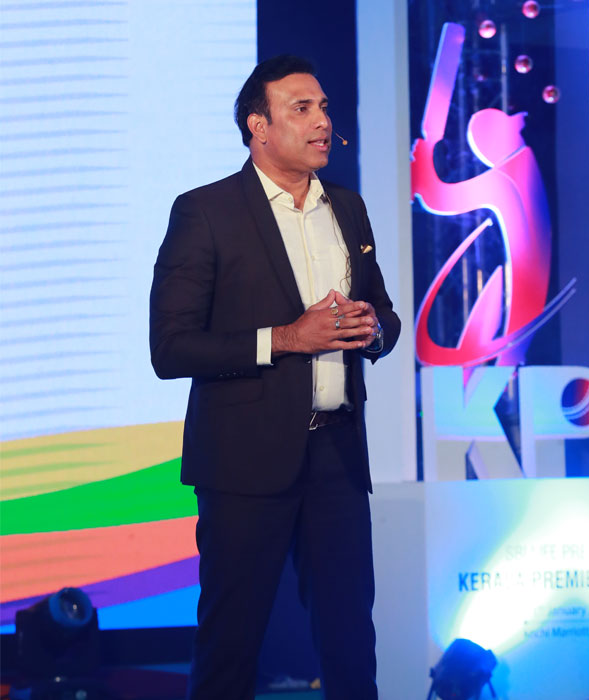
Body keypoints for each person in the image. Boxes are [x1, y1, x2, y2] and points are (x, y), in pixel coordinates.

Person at [149, 55, 400, 700]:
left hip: (338, 456)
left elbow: (385, 316)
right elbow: (171, 348)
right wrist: (288, 338)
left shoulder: (348, 208)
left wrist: (373, 330)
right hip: (244, 461)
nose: (323, 122)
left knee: (351, 643)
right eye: (302, 109)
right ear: (258, 127)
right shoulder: (205, 212)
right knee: (231, 645)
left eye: (325, 108)